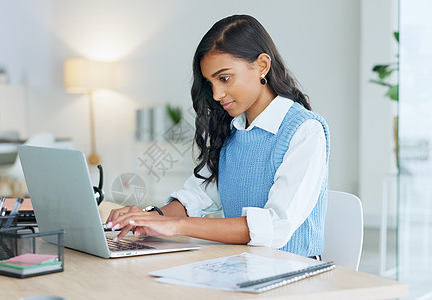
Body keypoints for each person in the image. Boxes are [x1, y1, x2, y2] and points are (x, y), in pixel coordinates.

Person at [106, 14, 330, 258]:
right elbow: (197, 197)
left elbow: (274, 227)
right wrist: (149, 217)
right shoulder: (233, 129)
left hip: (293, 272)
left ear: (262, 66)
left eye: (224, 78)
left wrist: (177, 226)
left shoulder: (305, 131)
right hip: (243, 265)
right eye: (210, 83)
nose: (216, 94)